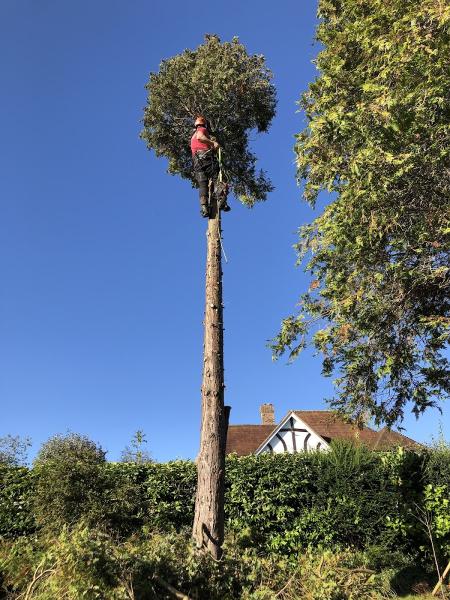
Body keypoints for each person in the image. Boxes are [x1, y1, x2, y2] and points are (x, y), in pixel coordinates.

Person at [191, 116, 230, 217]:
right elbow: (201, 137)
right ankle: (221, 200)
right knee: (218, 178)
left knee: (202, 184)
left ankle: (204, 208)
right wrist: (213, 142)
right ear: (204, 124)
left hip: (197, 162)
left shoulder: (192, 136)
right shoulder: (201, 130)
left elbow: (198, 142)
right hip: (206, 158)